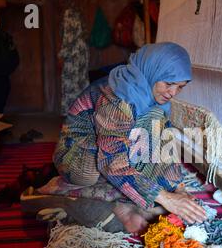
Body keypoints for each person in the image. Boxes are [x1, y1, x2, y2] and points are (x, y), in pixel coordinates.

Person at [53, 42, 207, 235]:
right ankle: (80, 194)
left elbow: (163, 144)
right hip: (76, 154)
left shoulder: (154, 98)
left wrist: (179, 189)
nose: (173, 93)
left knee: (154, 131)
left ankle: (128, 197)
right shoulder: (116, 98)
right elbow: (111, 162)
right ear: (152, 72)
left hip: (112, 146)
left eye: (180, 87)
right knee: (91, 174)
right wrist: (165, 198)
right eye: (168, 84)